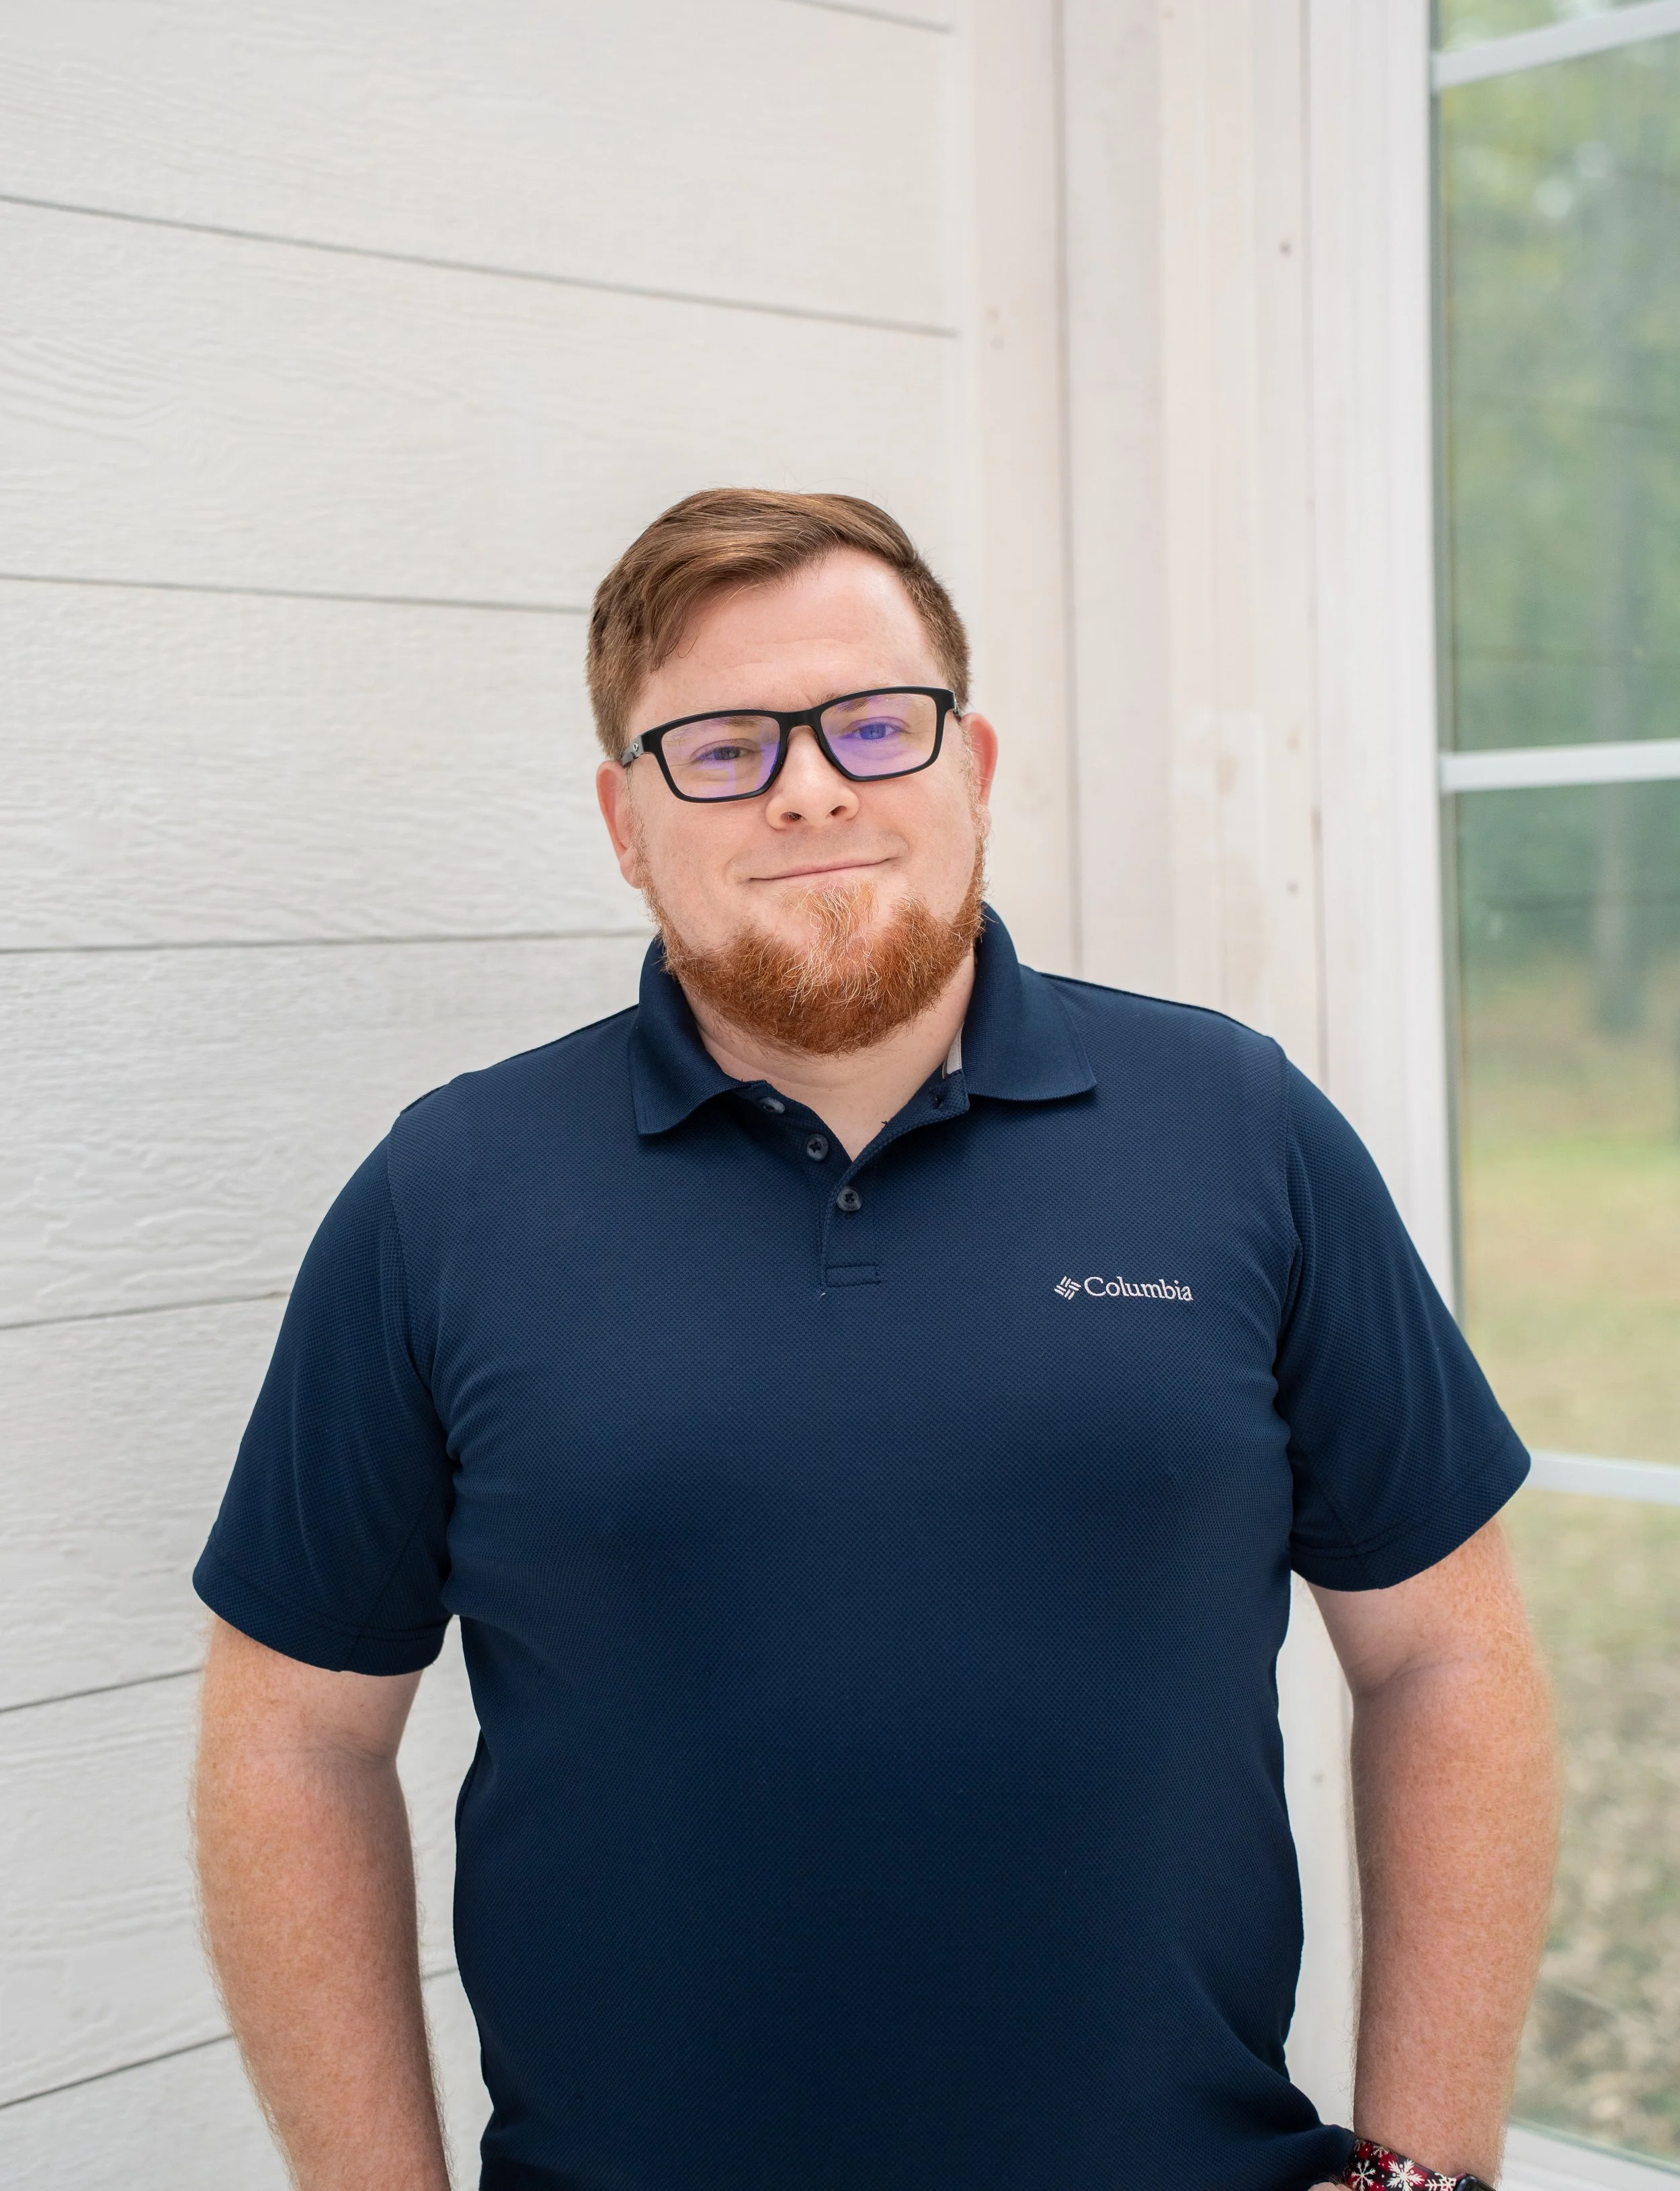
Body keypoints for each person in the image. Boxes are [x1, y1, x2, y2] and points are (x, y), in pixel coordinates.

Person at [193, 489, 1558, 2191]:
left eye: (869, 724)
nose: (811, 786)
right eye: (723, 747)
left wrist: (1424, 2172)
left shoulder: (1238, 1129)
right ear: (625, 821)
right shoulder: (445, 1194)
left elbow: (1442, 1654)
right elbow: (293, 1738)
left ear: (969, 763)